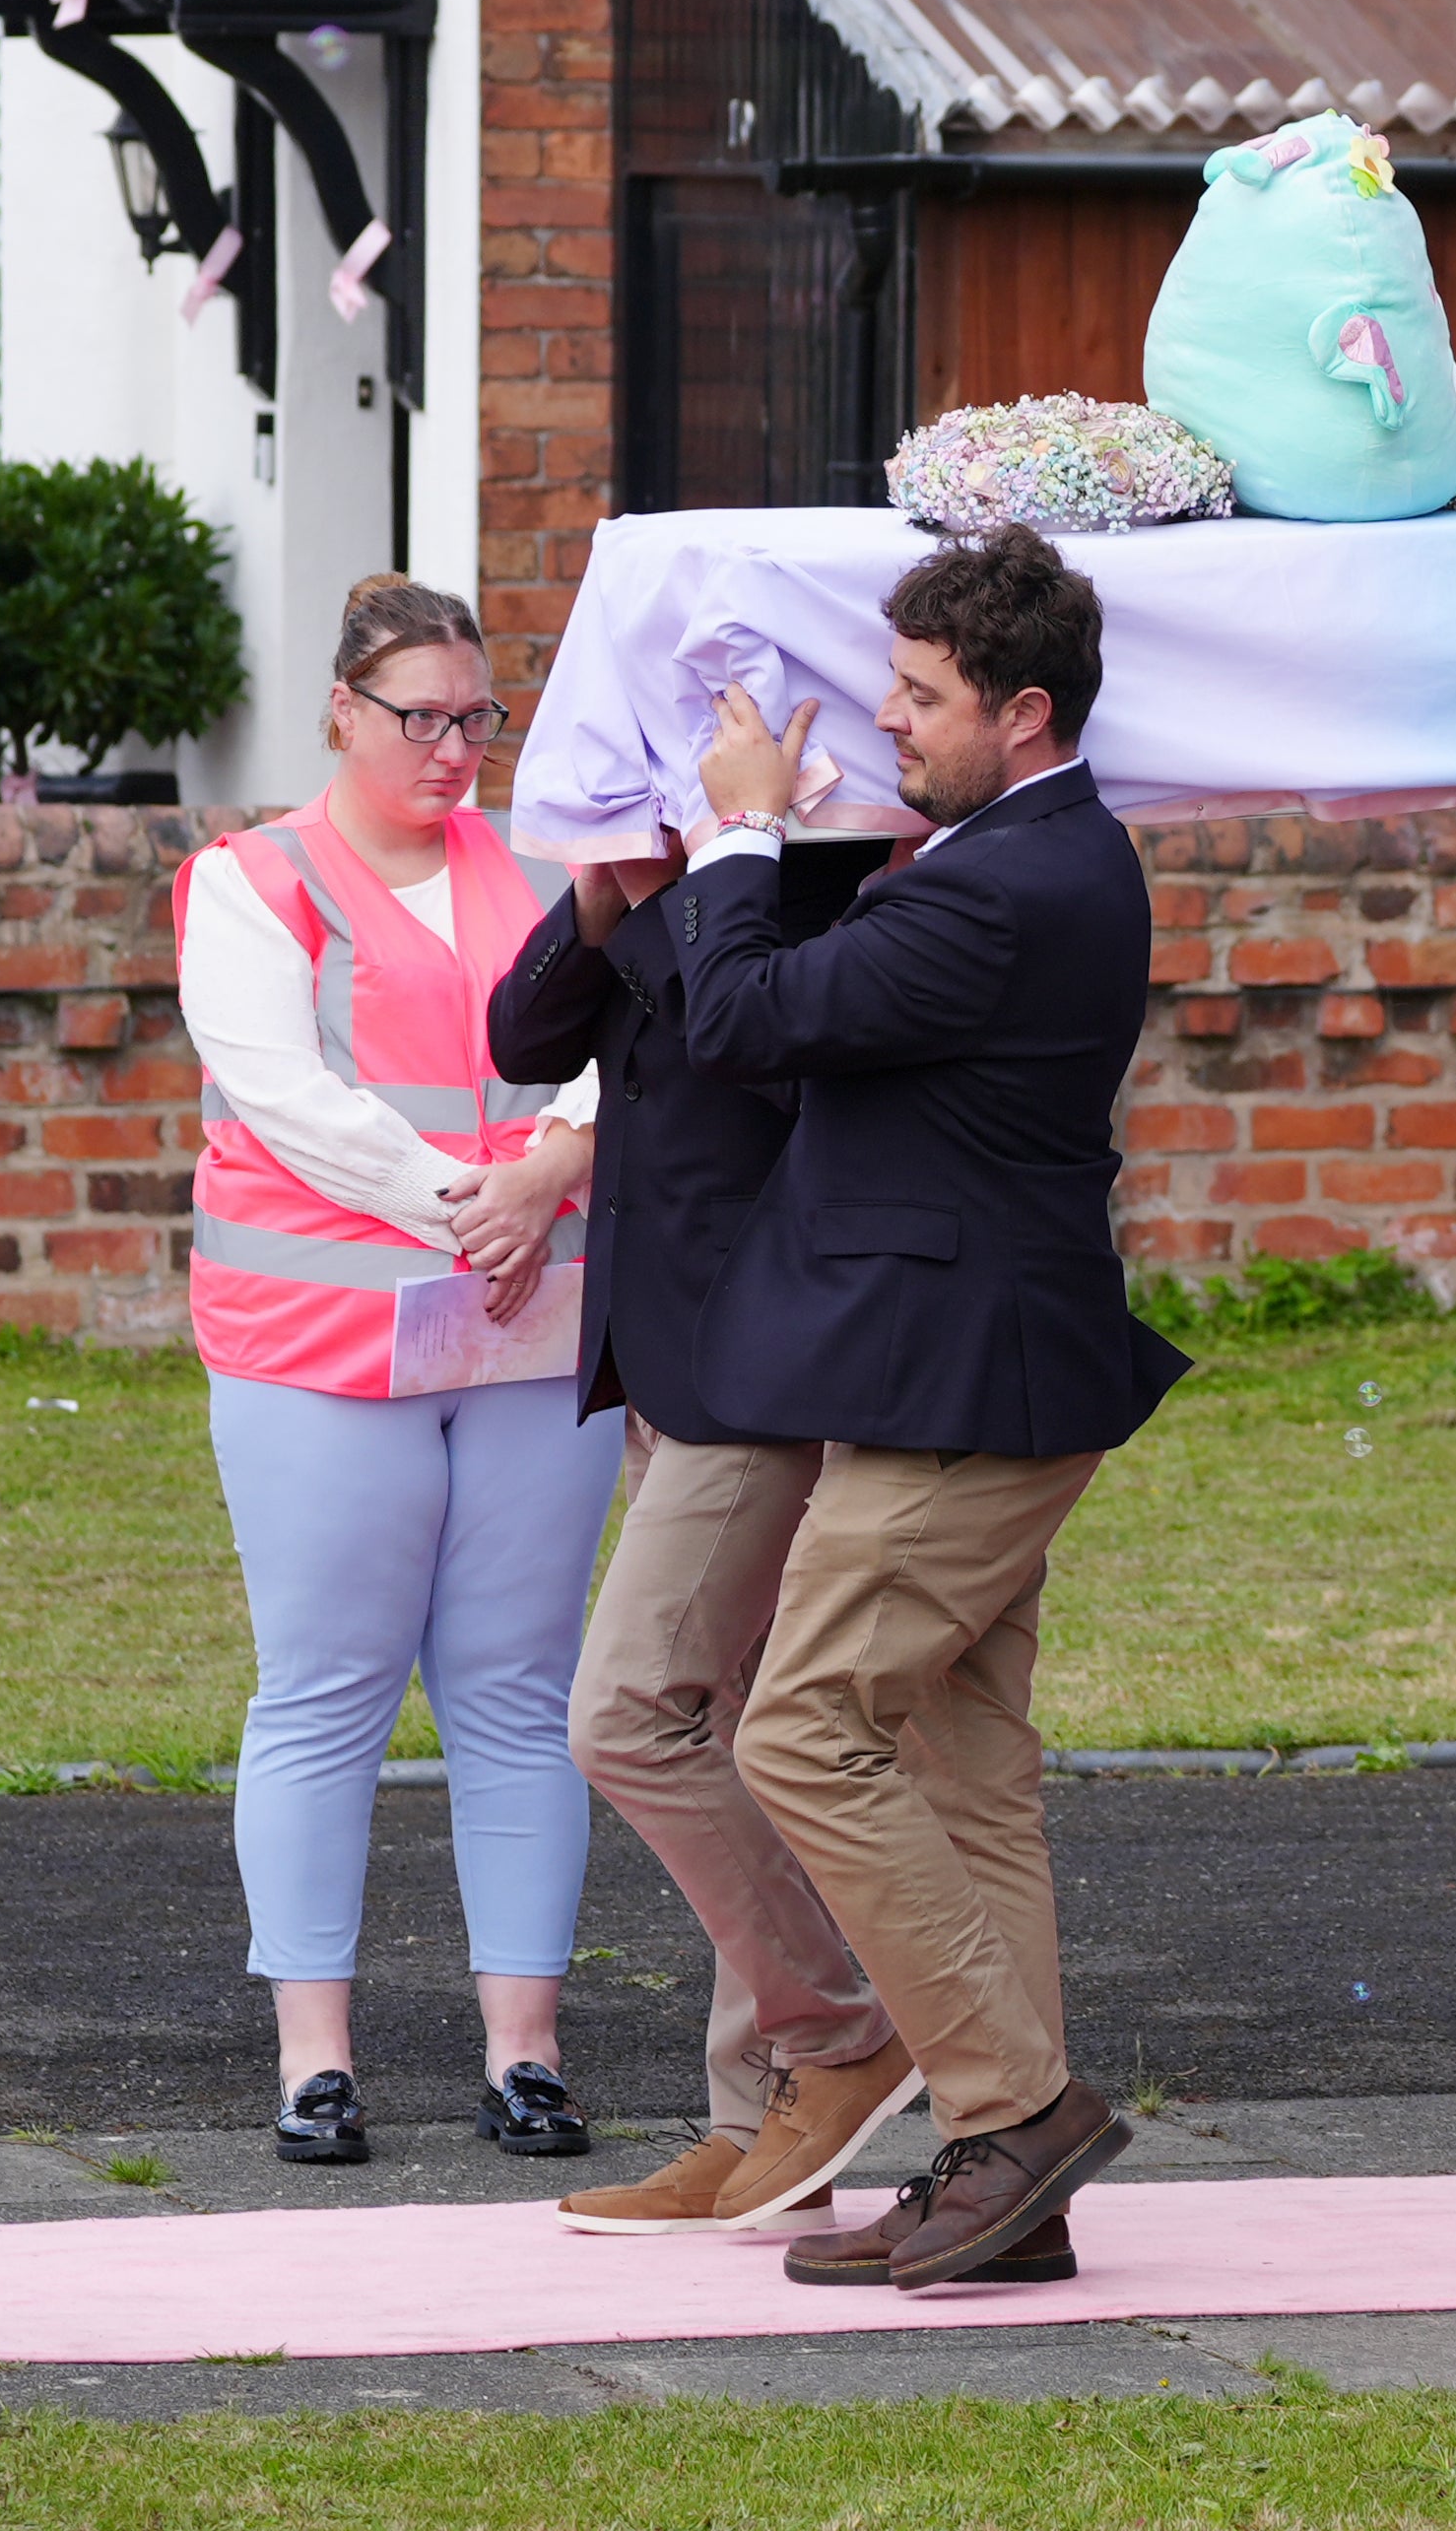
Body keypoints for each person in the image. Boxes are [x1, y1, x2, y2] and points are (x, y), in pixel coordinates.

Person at [669, 522, 1192, 2293]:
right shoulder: (1016, 855)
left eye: (919, 696)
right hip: (970, 1367)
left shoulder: (1003, 884)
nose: (886, 718)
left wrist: (740, 827)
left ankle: (1013, 2108)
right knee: (964, 1771)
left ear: (1023, 713)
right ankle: (1007, 2175)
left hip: (967, 1384)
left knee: (801, 1731)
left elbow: (744, 1018)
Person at [171, 574, 622, 2172]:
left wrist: (549, 1168)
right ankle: (315, 2060)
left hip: (526, 1338)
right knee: (326, 1695)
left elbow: (612, 1043)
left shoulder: (551, 870)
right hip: (321, 1350)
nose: (450, 749)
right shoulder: (251, 882)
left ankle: (526, 2052)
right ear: (342, 718)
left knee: (516, 1695)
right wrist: (484, 1197)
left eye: (474, 719)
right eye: (417, 717)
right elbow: (287, 1096)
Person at [496, 824, 930, 2240]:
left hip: (762, 1368)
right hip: (664, 1360)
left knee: (629, 1718)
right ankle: (757, 2120)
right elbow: (520, 1032)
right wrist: (601, 898)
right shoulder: (665, 891)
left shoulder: (821, 883)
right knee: (730, 1730)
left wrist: (689, 898)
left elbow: (756, 1048)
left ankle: (839, 2039)